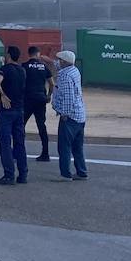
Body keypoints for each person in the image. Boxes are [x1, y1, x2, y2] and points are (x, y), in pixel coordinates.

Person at [0, 45, 28, 185]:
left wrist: (3, 95)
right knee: (20, 143)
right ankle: (23, 174)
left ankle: (9, 175)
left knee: (5, 143)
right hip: (19, 110)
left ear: (8, 55)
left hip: (6, 111)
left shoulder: (5, 69)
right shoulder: (22, 70)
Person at [51, 50, 87, 180]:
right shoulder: (74, 71)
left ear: (64, 62)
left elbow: (68, 97)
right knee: (77, 147)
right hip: (80, 114)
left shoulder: (64, 76)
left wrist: (64, 114)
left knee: (64, 146)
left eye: (59, 60)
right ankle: (82, 171)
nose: (58, 62)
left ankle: (65, 174)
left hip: (70, 116)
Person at [23, 46, 54, 162]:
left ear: (29, 54)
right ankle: (45, 153)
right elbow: (51, 83)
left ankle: (18, 152)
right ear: (37, 54)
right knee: (41, 126)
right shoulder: (44, 66)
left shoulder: (24, 66)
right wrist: (49, 96)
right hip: (40, 99)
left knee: (20, 126)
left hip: (27, 99)